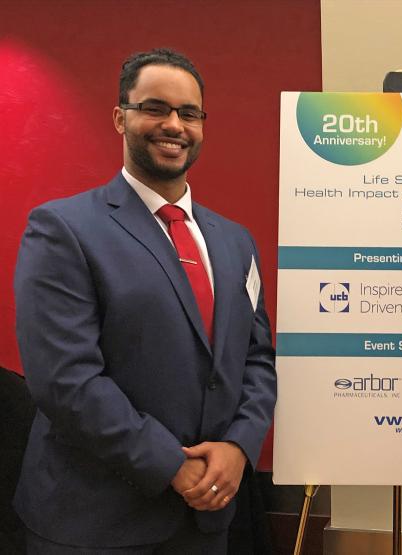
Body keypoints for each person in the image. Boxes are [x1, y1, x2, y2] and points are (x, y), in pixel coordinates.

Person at [14, 48, 277, 554]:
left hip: (206, 519)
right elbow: (66, 380)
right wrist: (171, 464)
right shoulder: (63, 229)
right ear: (121, 117)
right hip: (94, 523)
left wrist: (239, 446)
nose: (174, 125)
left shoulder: (234, 241)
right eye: (155, 108)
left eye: (189, 113)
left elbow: (256, 359)